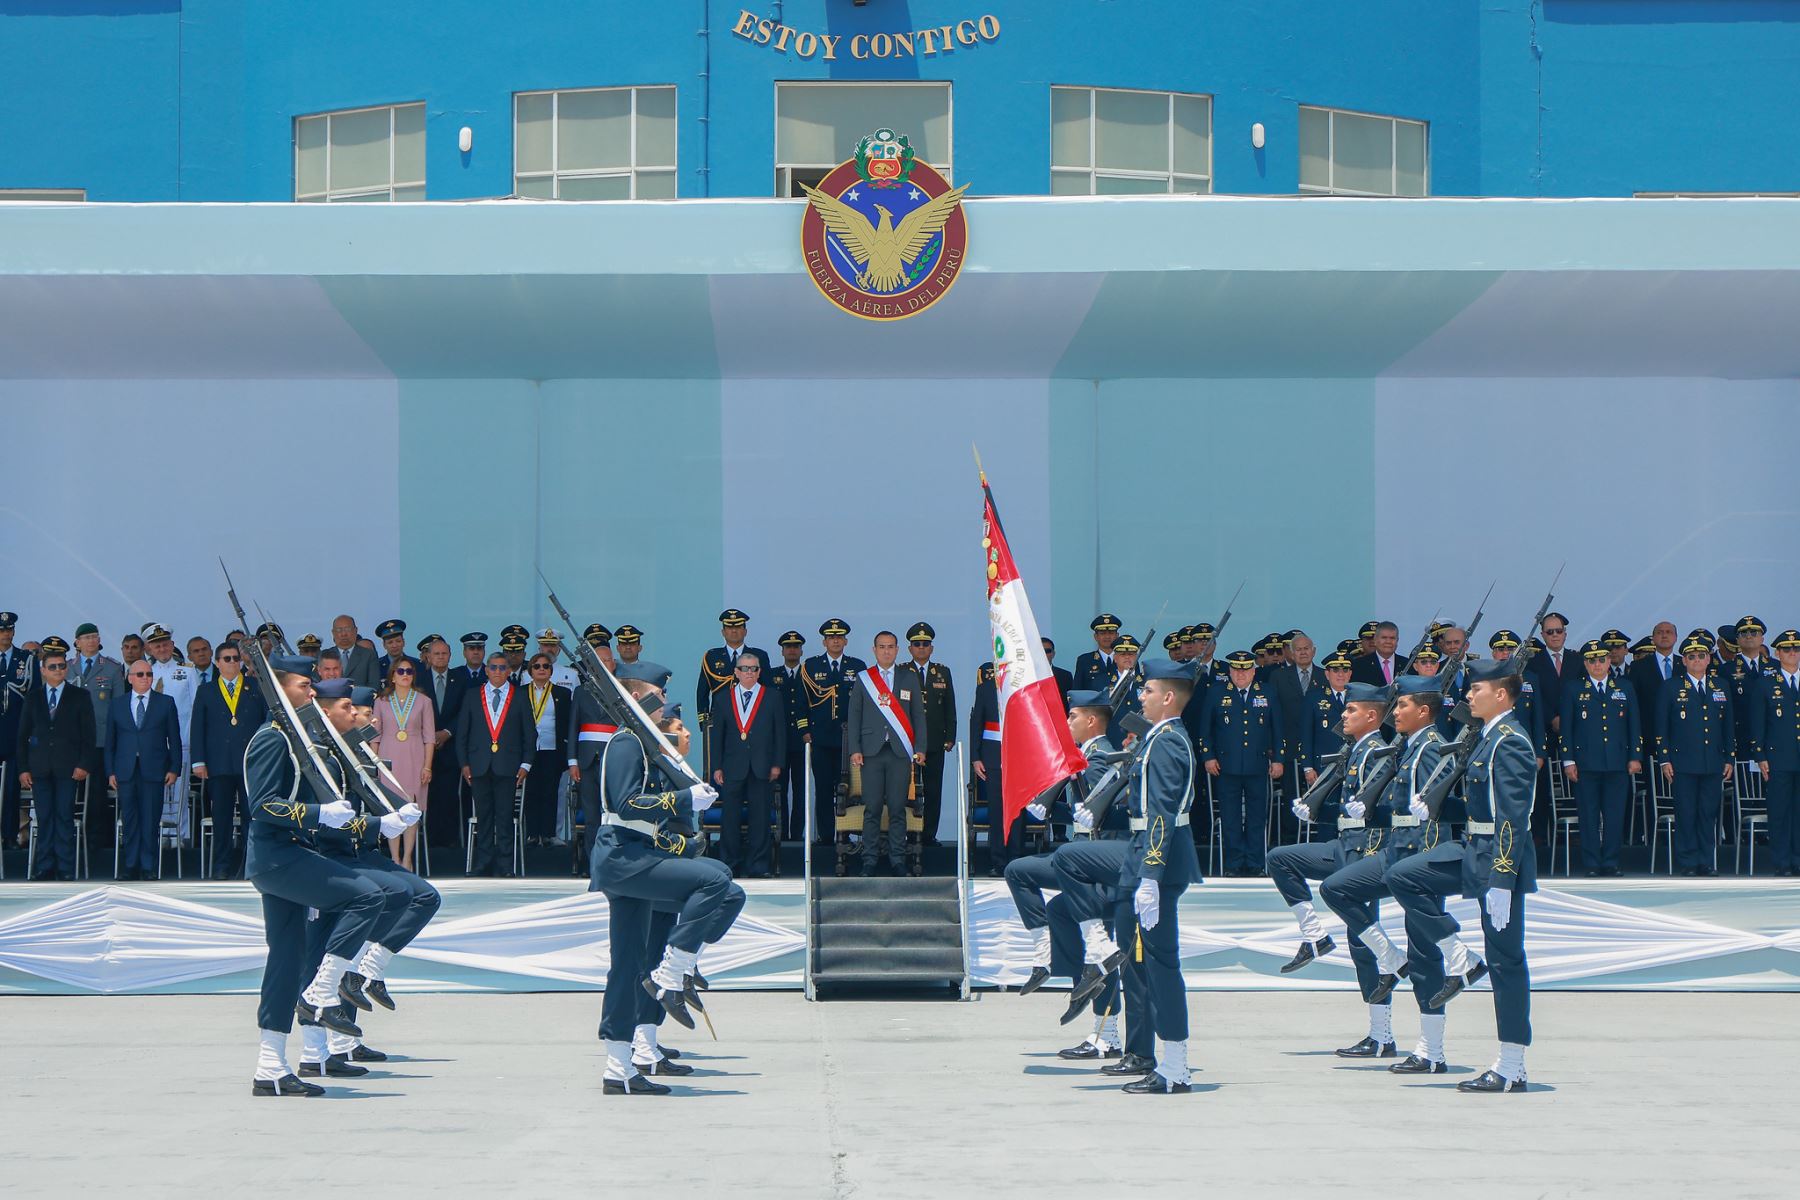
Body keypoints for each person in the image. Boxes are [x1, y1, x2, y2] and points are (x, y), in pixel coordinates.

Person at [1385, 657, 1539, 1093]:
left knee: (1506, 958)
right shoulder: (1486, 737)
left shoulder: (1510, 741)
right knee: (1404, 876)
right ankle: (1457, 953)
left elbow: (1514, 815)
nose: (1468, 695)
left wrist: (1504, 879)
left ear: (1502, 695)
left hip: (1497, 858)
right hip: (1472, 847)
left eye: (1476, 689)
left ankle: (1512, 1066)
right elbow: (1478, 807)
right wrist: (1433, 806)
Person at [241, 657, 388, 1097]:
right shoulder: (271, 740)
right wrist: (317, 813)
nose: (312, 693)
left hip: (292, 854)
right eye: (305, 686)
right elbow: (263, 805)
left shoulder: (299, 739)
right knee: (366, 896)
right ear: (280, 689)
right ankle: (322, 991)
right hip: (277, 856)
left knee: (285, 959)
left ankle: (270, 1067)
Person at [589, 663, 733, 1096]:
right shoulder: (626, 742)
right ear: (639, 695)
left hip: (637, 854)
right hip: (623, 855)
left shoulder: (644, 744)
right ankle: (673, 973)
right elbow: (628, 803)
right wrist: (686, 795)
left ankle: (620, 1067)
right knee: (716, 880)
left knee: (629, 963)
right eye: (658, 693)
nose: (664, 701)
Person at [1319, 676, 1450, 1074]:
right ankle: (1387, 959)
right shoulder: (1409, 747)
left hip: (1419, 855)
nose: (1395, 713)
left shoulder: (1429, 747)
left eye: (1402, 706)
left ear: (1423, 710)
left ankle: (1432, 1050)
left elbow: (1434, 809)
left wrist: (1421, 863)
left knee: (1425, 952)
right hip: (1397, 852)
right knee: (1338, 888)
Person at [1269, 683, 1398, 1056]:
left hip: (1365, 849)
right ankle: (1314, 936)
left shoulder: (1378, 751)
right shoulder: (1354, 749)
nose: (1343, 715)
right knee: (1281, 858)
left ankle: (1382, 1036)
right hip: (1342, 845)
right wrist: (1315, 807)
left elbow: (1379, 809)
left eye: (1351, 710)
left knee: (1362, 944)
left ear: (1372, 716)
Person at [1008, 692, 1128, 1062]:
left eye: (1072, 716)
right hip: (1077, 862)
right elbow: (1081, 812)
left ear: (1092, 721)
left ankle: (1105, 1036)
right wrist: (1046, 804)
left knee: (1093, 945)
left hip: (1097, 867)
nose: (1067, 723)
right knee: (1019, 872)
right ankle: (1047, 957)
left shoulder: (1099, 759)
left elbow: (1099, 815)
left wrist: (1060, 803)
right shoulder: (1084, 758)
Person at [1110, 658, 1200, 1094]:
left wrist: (1150, 875)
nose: (1140, 697)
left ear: (1168, 697)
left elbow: (1163, 812)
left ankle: (1176, 1067)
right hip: (1146, 856)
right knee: (1149, 963)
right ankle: (1162, 1059)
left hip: (1158, 863)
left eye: (1147, 690)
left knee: (1163, 965)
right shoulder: (1159, 738)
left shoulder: (1167, 742)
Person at [16, 639, 99, 880]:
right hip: (39, 768)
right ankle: (45, 866)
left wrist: (84, 764)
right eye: (52, 667)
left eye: (61, 666)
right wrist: (23, 769)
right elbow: (22, 736)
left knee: (64, 816)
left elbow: (89, 735)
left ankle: (64, 867)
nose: (58, 670)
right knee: (44, 817)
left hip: (68, 768)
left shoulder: (80, 696)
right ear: (42, 670)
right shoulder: (33, 698)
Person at [845, 631, 926, 877]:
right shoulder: (864, 679)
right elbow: (854, 716)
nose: (886, 651)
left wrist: (920, 747)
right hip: (870, 753)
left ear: (897, 649)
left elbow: (918, 717)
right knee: (872, 808)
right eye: (882, 647)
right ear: (874, 650)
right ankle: (868, 860)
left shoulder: (908, 678)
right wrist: (855, 749)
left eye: (891, 647)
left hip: (900, 753)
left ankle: (897, 860)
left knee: (898, 808)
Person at [1560, 638, 1642, 877]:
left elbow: (1634, 725)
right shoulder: (1574, 689)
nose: (1597, 665)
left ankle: (1611, 861)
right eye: (1592, 661)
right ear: (1585, 664)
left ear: (1609, 662)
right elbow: (1567, 728)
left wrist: (1635, 755)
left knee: (1615, 814)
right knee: (1588, 815)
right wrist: (1568, 760)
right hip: (1586, 763)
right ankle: (1592, 863)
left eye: (1601, 660)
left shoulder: (1624, 687)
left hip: (1617, 762)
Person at [1199, 649, 1284, 876]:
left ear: (1254, 671)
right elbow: (1205, 729)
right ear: (1230, 670)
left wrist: (1278, 759)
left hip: (1258, 765)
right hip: (1226, 766)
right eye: (1236, 669)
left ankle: (1256, 863)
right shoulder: (1217, 693)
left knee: (1257, 816)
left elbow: (1277, 729)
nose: (1241, 674)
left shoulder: (1266, 692)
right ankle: (1234, 863)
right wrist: (1208, 756)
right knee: (1230, 817)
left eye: (1245, 669)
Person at [1656, 633, 1735, 876]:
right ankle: (1688, 862)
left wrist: (1729, 758)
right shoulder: (1671, 687)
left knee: (1707, 813)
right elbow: (1661, 726)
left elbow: (1728, 725)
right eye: (1692, 657)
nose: (1697, 660)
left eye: (1702, 656)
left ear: (1709, 659)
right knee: (1686, 813)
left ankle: (1706, 861)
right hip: (1682, 762)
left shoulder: (1720, 685)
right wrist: (1664, 758)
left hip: (1712, 761)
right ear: (1684, 661)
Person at [190, 638, 268, 878]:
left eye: (236, 658)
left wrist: (265, 758)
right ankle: (222, 865)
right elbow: (198, 727)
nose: (232, 663)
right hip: (219, 763)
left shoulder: (255, 686)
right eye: (227, 659)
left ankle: (250, 865)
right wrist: (198, 761)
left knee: (250, 817)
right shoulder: (207, 689)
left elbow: (267, 722)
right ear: (217, 662)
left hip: (249, 763)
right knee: (221, 818)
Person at [454, 652, 533, 877]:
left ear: (509, 671)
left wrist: (526, 765)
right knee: (484, 816)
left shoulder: (519, 696)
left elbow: (529, 734)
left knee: (505, 816)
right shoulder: (472, 695)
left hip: (509, 766)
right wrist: (464, 763)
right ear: (486, 670)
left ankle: (506, 865)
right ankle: (483, 862)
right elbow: (462, 734)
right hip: (478, 765)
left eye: (502, 667)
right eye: (493, 667)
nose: (497, 671)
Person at [708, 651, 786, 876]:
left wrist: (777, 763)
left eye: (753, 669)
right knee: (730, 818)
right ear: (736, 672)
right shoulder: (723, 698)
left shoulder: (772, 696)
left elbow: (780, 734)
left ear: (760, 672)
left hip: (763, 766)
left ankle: (758, 866)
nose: (749, 673)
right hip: (732, 767)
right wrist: (717, 767)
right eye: (744, 668)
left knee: (760, 818)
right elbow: (717, 737)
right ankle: (729, 864)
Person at [106, 659, 182, 881]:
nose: (145, 678)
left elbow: (174, 740)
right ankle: (130, 865)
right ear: (129, 678)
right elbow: (110, 741)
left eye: (148, 674)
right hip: (126, 771)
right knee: (130, 819)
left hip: (154, 769)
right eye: (140, 674)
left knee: (150, 819)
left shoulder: (165, 703)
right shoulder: (118, 704)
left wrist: (174, 768)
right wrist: (110, 771)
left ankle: (148, 866)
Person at [800, 619, 865, 843]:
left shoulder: (857, 666)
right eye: (831, 637)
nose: (835, 640)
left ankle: (844, 835)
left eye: (839, 637)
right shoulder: (811, 666)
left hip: (849, 741)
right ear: (824, 641)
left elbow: (863, 704)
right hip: (821, 738)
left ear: (845, 641)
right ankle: (826, 835)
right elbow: (801, 702)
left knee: (847, 790)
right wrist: (804, 730)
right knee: (824, 788)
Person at [374, 657, 436, 871]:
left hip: (415, 758)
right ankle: (394, 858)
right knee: (392, 811)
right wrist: (375, 765)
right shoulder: (381, 701)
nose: (405, 675)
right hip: (388, 759)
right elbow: (375, 736)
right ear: (392, 676)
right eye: (400, 671)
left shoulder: (423, 701)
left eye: (409, 671)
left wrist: (427, 766)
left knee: (411, 808)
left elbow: (429, 737)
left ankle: (408, 858)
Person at [567, 624, 619, 871]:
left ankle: (614, 862)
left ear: (614, 663)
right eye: (599, 660)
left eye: (608, 660)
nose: (604, 664)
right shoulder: (580, 691)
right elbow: (572, 727)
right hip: (587, 760)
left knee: (614, 815)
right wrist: (572, 761)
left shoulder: (623, 690)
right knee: (591, 816)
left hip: (615, 760)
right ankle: (593, 864)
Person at [142, 624, 199, 846]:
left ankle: (179, 839)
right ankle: (159, 838)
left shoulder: (188, 670)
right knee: (156, 793)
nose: (162, 648)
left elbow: (195, 707)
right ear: (150, 648)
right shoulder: (145, 672)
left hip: (182, 741)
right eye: (157, 645)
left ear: (172, 645)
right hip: (154, 744)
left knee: (179, 795)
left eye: (165, 644)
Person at [696, 609, 771, 771]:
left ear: (745, 631)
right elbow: (702, 691)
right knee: (719, 766)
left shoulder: (759, 656)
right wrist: (704, 722)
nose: (734, 630)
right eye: (729, 627)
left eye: (738, 627)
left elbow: (767, 691)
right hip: (719, 720)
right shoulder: (712, 656)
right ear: (723, 631)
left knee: (750, 765)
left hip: (752, 721)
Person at [907, 622, 957, 847]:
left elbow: (950, 707)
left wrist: (950, 736)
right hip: (908, 743)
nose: (921, 648)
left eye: (925, 644)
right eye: (917, 644)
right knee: (908, 791)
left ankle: (928, 835)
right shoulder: (901, 672)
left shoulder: (942, 672)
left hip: (936, 741)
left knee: (933, 790)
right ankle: (910, 834)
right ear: (910, 648)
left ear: (931, 648)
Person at [1755, 630, 1800, 876]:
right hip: (1778, 758)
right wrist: (1760, 755)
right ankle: (1782, 862)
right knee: (1780, 812)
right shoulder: (1766, 684)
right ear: (1777, 653)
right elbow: (1758, 723)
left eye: (1796, 649)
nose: (1792, 653)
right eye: (1787, 649)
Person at [519, 652, 572, 855]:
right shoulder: (521, 692)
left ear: (551, 670)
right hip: (528, 750)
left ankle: (549, 834)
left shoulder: (562, 693)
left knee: (550, 791)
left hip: (552, 749)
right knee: (531, 791)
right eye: (537, 666)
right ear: (530, 670)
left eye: (546, 666)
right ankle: (532, 834)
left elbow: (567, 723)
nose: (541, 669)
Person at [0, 611, 38, 848]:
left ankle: (9, 835)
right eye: (1, 630)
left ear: (13, 632)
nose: (5, 634)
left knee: (12, 789)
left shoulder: (26, 659)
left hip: (15, 732)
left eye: (8, 630)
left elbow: (33, 695)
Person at [770, 631, 811, 841]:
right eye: (788, 646)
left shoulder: (809, 674)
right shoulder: (772, 675)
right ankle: (781, 834)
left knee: (801, 791)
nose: (792, 650)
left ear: (801, 650)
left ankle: (797, 835)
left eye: (796, 646)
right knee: (780, 791)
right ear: (782, 651)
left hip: (802, 741)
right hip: (779, 742)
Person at [970, 661, 1009, 872]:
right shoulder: (985, 688)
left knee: (1017, 812)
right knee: (997, 811)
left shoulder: (1025, 687)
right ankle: (999, 862)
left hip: (1019, 758)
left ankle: (1017, 860)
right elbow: (977, 723)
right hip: (992, 758)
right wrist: (975, 757)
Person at [1074, 613, 1122, 691]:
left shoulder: (1128, 660)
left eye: (1111, 633)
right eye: (1102, 633)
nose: (1107, 637)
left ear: (1117, 636)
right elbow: (1077, 692)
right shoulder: (1084, 660)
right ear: (1096, 637)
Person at [328, 615, 380, 688]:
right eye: (339, 630)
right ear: (333, 633)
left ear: (356, 630)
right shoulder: (325, 655)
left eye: (347, 629)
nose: (343, 634)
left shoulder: (368, 655)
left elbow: (374, 685)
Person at [1351, 622, 1407, 686]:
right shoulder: (1359, 665)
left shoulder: (1407, 664)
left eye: (1392, 638)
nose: (1388, 642)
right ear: (1375, 640)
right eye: (1384, 638)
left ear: (1397, 640)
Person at [1042, 637, 1074, 710]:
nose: (1043, 654)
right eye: (1039, 650)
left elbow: (1070, 703)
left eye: (1047, 651)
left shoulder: (1065, 676)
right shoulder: (1028, 677)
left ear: (1053, 654)